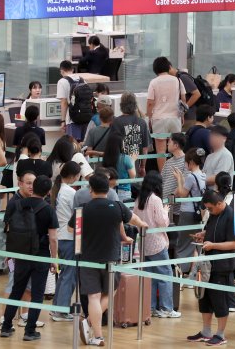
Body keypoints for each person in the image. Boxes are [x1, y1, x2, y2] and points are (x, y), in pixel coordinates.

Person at [67, 173, 147, 347]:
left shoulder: (82, 209)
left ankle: (97, 335)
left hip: (87, 258)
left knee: (93, 297)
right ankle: (89, 324)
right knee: (111, 292)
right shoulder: (117, 206)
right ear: (108, 188)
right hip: (111, 258)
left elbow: (70, 228)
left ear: (91, 190)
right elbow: (134, 219)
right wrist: (143, 225)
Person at [0, 175, 59, 341]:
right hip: (40, 255)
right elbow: (53, 238)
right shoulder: (48, 209)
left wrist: (10, 253)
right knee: (37, 293)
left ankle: (6, 326)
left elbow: (8, 230)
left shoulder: (16, 204)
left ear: (33, 187)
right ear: (48, 191)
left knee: (16, 290)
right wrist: (54, 259)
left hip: (20, 254)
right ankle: (30, 330)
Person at [187, 190, 235, 346]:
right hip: (207, 264)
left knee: (220, 301)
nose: (209, 211)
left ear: (219, 203)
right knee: (205, 299)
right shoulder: (214, 214)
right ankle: (206, 331)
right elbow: (213, 230)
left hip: (221, 266)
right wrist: (204, 234)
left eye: (210, 208)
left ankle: (221, 334)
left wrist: (213, 245)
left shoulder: (231, 216)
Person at [133, 171, 181, 318]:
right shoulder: (155, 200)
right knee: (166, 274)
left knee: (151, 277)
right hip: (157, 244)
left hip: (144, 244)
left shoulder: (139, 199)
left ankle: (151, 307)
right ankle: (166, 308)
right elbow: (163, 222)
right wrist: (166, 211)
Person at [49, 161, 81, 322]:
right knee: (69, 275)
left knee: (64, 275)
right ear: (74, 176)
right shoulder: (71, 192)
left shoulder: (59, 189)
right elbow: (77, 216)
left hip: (59, 237)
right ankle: (61, 310)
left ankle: (57, 307)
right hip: (69, 238)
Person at [147, 57, 187, 172]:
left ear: (155, 69)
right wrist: (182, 115)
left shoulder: (153, 82)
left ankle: (163, 176)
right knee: (177, 148)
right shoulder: (177, 80)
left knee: (161, 151)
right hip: (175, 118)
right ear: (168, 67)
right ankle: (179, 173)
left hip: (159, 119)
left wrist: (150, 118)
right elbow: (183, 99)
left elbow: (150, 103)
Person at [173, 147, 207, 265]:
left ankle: (181, 269)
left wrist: (179, 179)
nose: (185, 164)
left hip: (187, 212)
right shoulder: (203, 175)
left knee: (183, 242)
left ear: (191, 162)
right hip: (198, 213)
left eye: (186, 162)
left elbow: (182, 194)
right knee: (194, 241)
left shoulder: (191, 176)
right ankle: (193, 268)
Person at [110, 92, 151, 175]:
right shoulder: (142, 122)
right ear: (135, 105)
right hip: (136, 163)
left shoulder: (116, 122)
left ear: (121, 104)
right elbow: (145, 148)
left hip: (119, 164)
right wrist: (143, 166)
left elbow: (113, 146)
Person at [57, 61, 87, 141]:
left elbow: (64, 103)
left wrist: (63, 121)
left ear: (62, 71)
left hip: (72, 119)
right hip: (85, 118)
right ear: (72, 69)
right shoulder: (82, 80)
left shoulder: (62, 81)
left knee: (72, 146)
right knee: (82, 145)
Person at [102, 132, 136, 201]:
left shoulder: (106, 158)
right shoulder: (125, 158)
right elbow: (133, 176)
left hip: (109, 191)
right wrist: (133, 160)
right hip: (124, 191)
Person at [168, 64, 202, 131]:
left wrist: (183, 109)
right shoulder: (175, 79)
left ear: (169, 68)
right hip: (180, 116)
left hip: (189, 117)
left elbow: (196, 94)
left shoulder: (183, 78)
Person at [203, 125, 234, 191]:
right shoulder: (209, 156)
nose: (212, 139)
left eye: (215, 136)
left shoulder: (225, 155)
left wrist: (198, 179)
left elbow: (218, 178)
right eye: (211, 136)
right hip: (209, 194)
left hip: (219, 195)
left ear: (224, 138)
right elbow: (203, 174)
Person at [160, 132, 188, 199]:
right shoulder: (168, 162)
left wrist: (170, 199)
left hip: (178, 206)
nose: (167, 144)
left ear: (176, 145)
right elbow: (161, 181)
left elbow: (185, 184)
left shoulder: (187, 161)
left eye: (169, 142)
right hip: (166, 204)